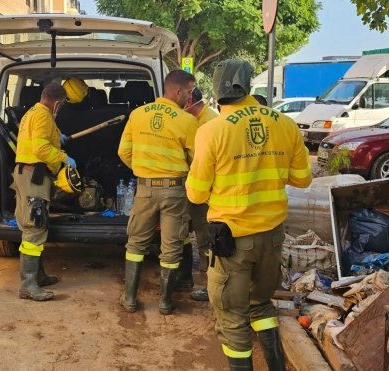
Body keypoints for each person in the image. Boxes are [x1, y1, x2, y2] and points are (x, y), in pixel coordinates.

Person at [186, 60, 312, 370]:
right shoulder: (285, 123)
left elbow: (197, 194)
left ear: (216, 91)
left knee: (232, 318)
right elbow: (303, 179)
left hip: (232, 243)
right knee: (261, 305)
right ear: (248, 86)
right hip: (271, 238)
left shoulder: (211, 131)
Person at [118, 70, 199, 315]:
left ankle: (130, 299)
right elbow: (198, 159)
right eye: (188, 92)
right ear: (177, 91)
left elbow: (124, 152)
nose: (190, 97)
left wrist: (143, 170)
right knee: (172, 246)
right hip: (175, 192)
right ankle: (165, 302)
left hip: (144, 189)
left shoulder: (137, 115)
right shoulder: (187, 121)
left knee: (136, 243)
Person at [12, 83, 74, 302]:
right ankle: (28, 285)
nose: (62, 108)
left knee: (34, 225)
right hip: (34, 176)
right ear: (57, 102)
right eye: (63, 104)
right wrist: (63, 157)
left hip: (26, 174)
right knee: (34, 228)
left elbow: (39, 140)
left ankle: (38, 275)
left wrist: (58, 138)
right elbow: (40, 148)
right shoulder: (44, 115)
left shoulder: (33, 112)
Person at [179, 87, 219, 301]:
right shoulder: (191, 118)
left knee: (205, 232)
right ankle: (188, 275)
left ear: (189, 100)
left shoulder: (211, 122)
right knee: (185, 227)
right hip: (191, 183)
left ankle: (208, 278)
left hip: (206, 187)